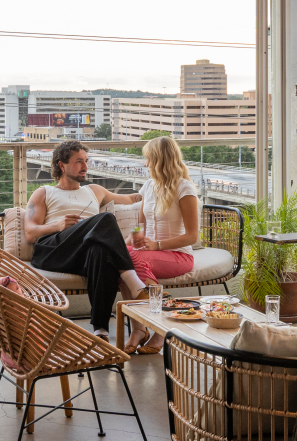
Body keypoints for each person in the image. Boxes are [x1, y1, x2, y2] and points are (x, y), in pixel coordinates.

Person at [25, 140, 146, 340]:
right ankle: (133, 281)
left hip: (82, 254)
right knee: (105, 218)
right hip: (54, 250)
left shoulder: (95, 190)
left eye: (86, 161)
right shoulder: (44, 192)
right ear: (62, 165)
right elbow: (30, 233)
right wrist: (58, 225)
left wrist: (153, 189)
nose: (85, 167)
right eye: (78, 161)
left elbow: (132, 199)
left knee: (101, 251)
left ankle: (100, 329)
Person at [124, 135, 200, 355]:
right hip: (148, 254)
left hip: (178, 255)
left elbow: (192, 236)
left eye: (148, 158)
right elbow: (139, 226)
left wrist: (157, 245)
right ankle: (139, 329)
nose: (145, 163)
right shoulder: (148, 186)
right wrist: (127, 243)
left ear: (159, 161)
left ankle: (161, 325)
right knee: (120, 259)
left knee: (130, 259)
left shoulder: (184, 188)